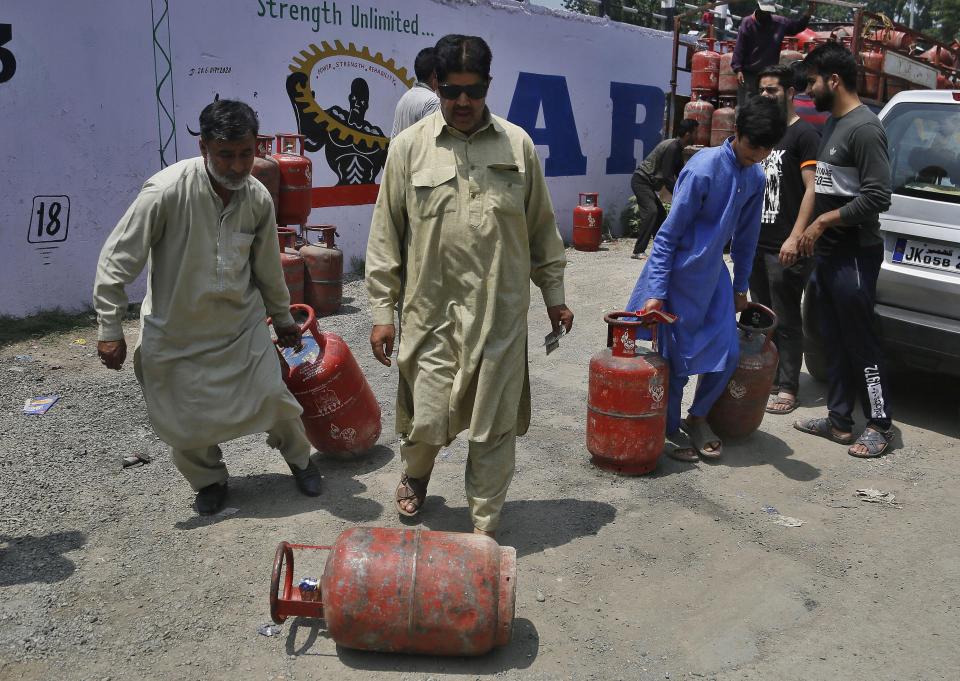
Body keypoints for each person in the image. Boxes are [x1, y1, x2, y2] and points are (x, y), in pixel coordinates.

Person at [365, 34, 572, 539]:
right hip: (430, 314)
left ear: (487, 86)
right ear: (435, 85)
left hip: (500, 316)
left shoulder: (517, 145)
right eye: (452, 90)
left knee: (494, 426)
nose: (463, 102)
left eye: (474, 91)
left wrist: (555, 295)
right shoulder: (409, 149)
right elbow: (385, 234)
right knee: (427, 418)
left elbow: (541, 226)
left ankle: (484, 525)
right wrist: (381, 313)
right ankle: (417, 474)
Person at [93, 99, 323, 515]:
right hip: (174, 331)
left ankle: (302, 463)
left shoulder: (256, 198)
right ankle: (210, 481)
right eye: (226, 155)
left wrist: (285, 318)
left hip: (240, 327)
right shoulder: (165, 192)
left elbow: (268, 268)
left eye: (246, 154)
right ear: (203, 147)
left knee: (273, 396)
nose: (237, 167)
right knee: (185, 421)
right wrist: (109, 329)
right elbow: (116, 261)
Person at [626, 95, 786, 461]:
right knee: (677, 363)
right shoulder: (703, 169)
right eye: (751, 147)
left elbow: (746, 240)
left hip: (714, 277)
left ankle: (697, 418)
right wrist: (655, 291)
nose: (757, 155)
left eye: (765, 150)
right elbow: (668, 235)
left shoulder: (756, 175)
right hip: (679, 278)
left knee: (727, 354)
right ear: (736, 133)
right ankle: (668, 432)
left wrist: (740, 286)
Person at [792, 42, 895, 458]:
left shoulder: (865, 129)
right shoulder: (833, 124)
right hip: (828, 254)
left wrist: (822, 222)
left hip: (854, 253)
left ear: (833, 80)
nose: (809, 89)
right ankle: (838, 420)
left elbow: (878, 196)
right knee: (829, 337)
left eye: (813, 81)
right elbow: (827, 189)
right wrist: (805, 232)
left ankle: (880, 424)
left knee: (860, 342)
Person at [751, 63, 821, 415]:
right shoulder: (762, 134)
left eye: (772, 90)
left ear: (791, 93)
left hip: (785, 246)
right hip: (756, 244)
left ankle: (789, 386)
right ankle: (770, 377)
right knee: (761, 316)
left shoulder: (804, 135)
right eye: (761, 90)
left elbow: (813, 190)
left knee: (787, 316)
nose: (765, 96)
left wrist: (796, 237)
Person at [630, 119, 699, 260]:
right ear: (687, 134)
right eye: (695, 133)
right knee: (652, 212)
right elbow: (668, 176)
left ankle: (661, 247)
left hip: (647, 183)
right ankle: (638, 251)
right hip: (641, 181)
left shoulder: (678, 148)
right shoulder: (673, 147)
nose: (697, 136)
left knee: (661, 214)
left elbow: (680, 174)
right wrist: (679, 195)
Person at [732, 1, 815, 107]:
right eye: (764, 11)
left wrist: (809, 13)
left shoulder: (779, 22)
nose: (766, 14)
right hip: (750, 75)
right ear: (758, 8)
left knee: (768, 107)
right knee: (746, 107)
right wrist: (738, 69)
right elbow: (740, 47)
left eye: (768, 11)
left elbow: (797, 27)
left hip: (769, 74)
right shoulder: (747, 23)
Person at [391, 47, 440, 137]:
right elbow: (430, 143)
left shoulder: (405, 97)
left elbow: (394, 138)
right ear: (435, 74)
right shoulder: (434, 102)